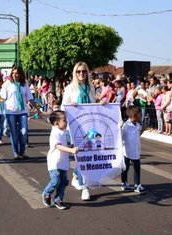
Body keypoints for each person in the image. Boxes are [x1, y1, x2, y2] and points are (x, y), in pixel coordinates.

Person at [61, 61, 95, 201]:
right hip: (75, 127)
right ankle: (84, 187)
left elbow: (93, 106)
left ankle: (76, 174)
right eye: (78, 71)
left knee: (87, 155)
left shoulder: (91, 88)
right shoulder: (70, 88)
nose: (81, 74)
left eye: (84, 71)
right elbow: (63, 107)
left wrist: (103, 104)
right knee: (81, 156)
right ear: (75, 73)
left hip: (89, 127)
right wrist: (71, 105)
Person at [0, 66, 41, 160]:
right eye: (13, 73)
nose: (15, 75)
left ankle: (22, 152)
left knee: (24, 132)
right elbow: (1, 97)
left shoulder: (24, 84)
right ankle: (16, 153)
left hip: (22, 111)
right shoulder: (7, 84)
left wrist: (37, 108)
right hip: (11, 112)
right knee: (14, 133)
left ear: (20, 74)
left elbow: (30, 98)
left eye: (17, 73)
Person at [42, 110, 79, 210]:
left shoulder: (66, 132)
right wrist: (70, 149)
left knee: (62, 183)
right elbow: (58, 146)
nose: (67, 122)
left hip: (63, 162)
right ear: (56, 123)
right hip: (55, 162)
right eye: (64, 120)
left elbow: (67, 144)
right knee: (55, 181)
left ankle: (58, 200)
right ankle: (46, 193)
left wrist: (72, 147)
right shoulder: (55, 132)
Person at [121, 105, 146, 194]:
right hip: (127, 151)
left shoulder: (138, 124)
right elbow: (120, 136)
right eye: (139, 114)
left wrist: (143, 129)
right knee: (125, 168)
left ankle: (137, 184)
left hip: (136, 150)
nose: (141, 116)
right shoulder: (126, 125)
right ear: (134, 115)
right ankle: (124, 183)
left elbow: (138, 134)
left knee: (137, 168)